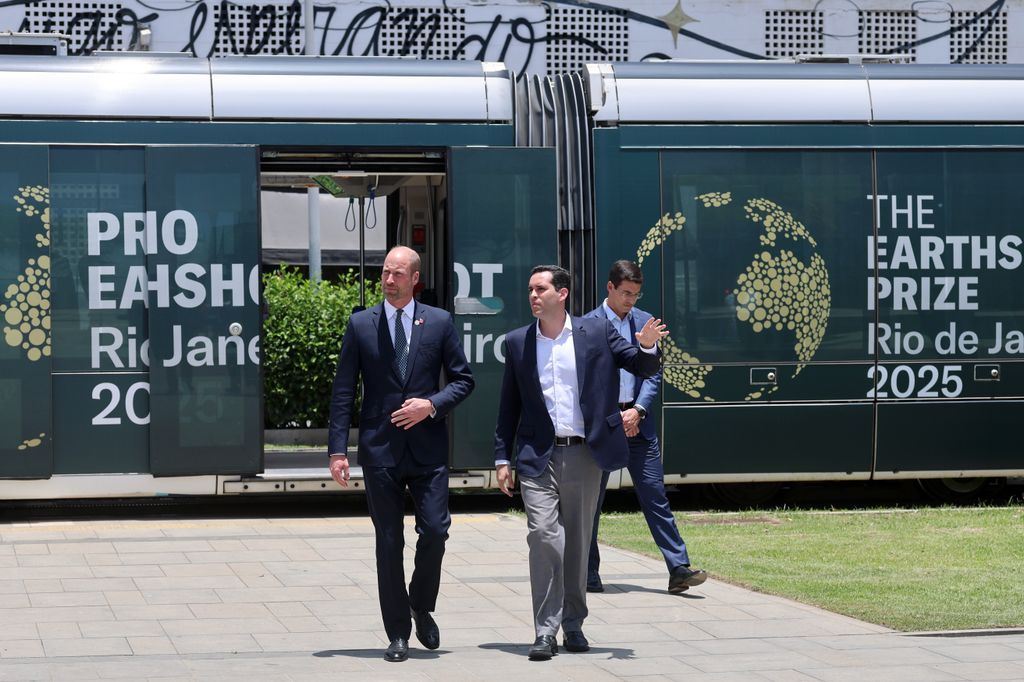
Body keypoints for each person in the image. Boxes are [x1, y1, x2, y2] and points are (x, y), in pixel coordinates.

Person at [494, 264, 666, 661]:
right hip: (538, 456)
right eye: (530, 289)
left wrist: (647, 345)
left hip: (586, 454)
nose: (533, 296)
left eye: (540, 289)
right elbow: (509, 406)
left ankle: (573, 624)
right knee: (543, 536)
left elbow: (642, 367)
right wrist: (502, 457)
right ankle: (544, 629)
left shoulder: (597, 333)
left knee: (576, 542)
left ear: (563, 293)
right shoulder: (518, 342)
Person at [328, 246, 474, 663]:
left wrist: (430, 404)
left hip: (427, 450)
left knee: (435, 531)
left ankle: (420, 603)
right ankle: (397, 632)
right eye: (385, 273)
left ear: (415, 279)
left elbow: (464, 381)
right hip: (380, 450)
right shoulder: (360, 325)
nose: (389, 280)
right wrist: (337, 450)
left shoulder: (441, 322)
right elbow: (343, 391)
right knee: (388, 542)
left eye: (397, 274)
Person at [585, 260, 707, 596]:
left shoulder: (645, 323)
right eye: (625, 293)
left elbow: (653, 374)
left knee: (655, 496)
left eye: (636, 295)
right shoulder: (587, 326)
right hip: (605, 425)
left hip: (638, 421)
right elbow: (587, 382)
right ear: (609, 288)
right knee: (591, 502)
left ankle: (678, 568)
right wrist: (615, 416)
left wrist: (637, 410)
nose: (631, 301)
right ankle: (588, 572)